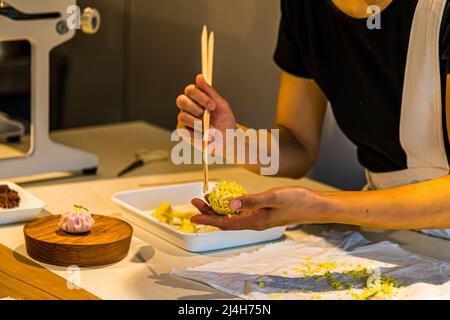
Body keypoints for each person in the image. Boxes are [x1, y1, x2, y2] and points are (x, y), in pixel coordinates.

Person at [176, 0, 450, 238]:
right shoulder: (307, 7)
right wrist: (231, 140)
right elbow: (298, 145)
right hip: (388, 230)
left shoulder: (440, 11)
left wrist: (321, 207)